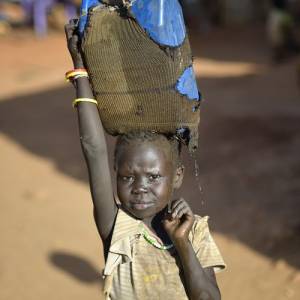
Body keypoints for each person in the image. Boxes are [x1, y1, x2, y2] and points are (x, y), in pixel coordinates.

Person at [65, 18, 226, 300]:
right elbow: (94, 149)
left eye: (153, 177)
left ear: (176, 176)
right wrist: (80, 70)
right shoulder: (117, 227)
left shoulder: (195, 230)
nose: (140, 187)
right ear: (114, 175)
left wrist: (182, 242)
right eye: (127, 177)